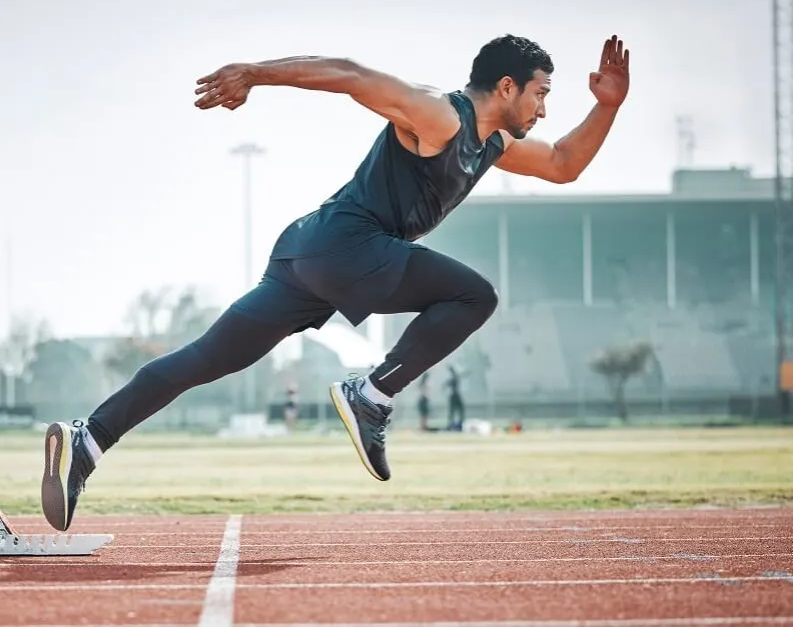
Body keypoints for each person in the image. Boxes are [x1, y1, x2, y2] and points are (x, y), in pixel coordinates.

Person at [40, 34, 631, 532]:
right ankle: (369, 395)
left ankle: (88, 439)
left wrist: (607, 106)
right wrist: (254, 73)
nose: (545, 110)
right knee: (474, 295)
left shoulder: (493, 143)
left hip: (311, 254)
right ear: (507, 87)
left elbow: (561, 165)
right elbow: (350, 74)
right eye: (541, 94)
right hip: (349, 246)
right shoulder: (440, 115)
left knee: (206, 359)